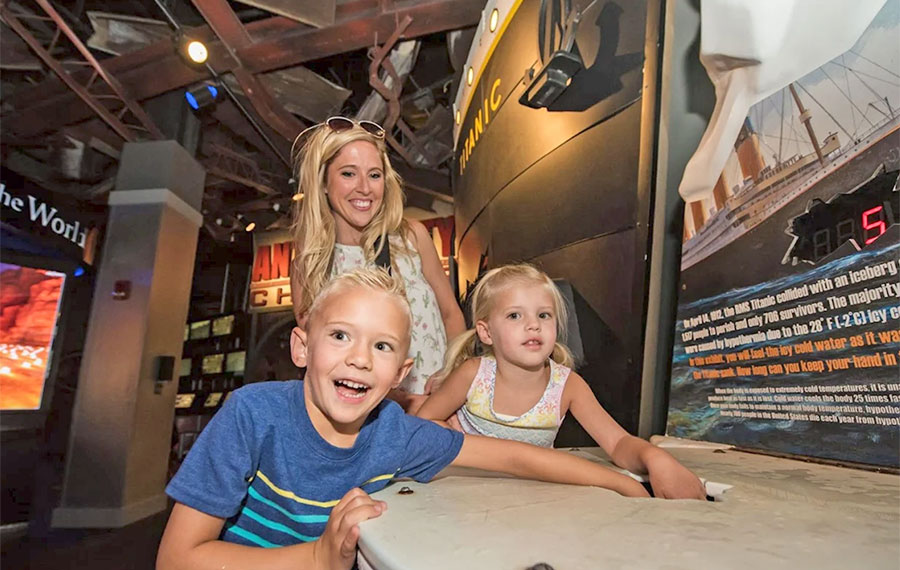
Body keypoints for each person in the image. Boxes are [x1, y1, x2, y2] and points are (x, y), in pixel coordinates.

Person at [157, 268, 649, 570]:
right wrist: (313, 559)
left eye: (382, 346)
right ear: (302, 348)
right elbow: (177, 559)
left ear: (401, 372)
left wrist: (621, 484)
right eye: (341, 336)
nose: (360, 359)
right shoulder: (251, 415)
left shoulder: (396, 434)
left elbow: (516, 457)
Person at [416, 264, 707, 500]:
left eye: (544, 315)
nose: (533, 324)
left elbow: (618, 442)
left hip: (533, 499)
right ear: (486, 331)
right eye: (515, 315)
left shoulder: (568, 386)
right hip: (464, 496)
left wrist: (656, 459)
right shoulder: (473, 374)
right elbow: (422, 426)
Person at [289, 116, 464, 410]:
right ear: (323, 184)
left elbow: (450, 314)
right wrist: (405, 403)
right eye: (348, 174)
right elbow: (325, 364)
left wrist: (452, 376)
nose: (365, 188)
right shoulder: (310, 263)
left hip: (444, 404)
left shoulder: (412, 237)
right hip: (370, 415)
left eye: (374, 175)